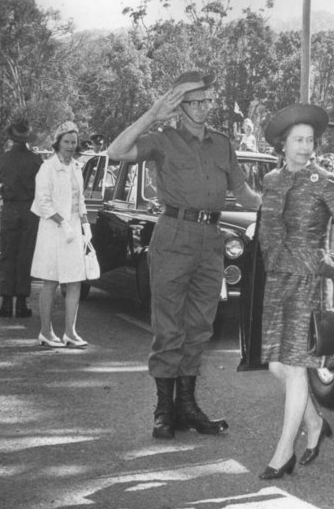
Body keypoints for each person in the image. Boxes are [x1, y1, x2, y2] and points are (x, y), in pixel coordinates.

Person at [107, 70, 262, 439]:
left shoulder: (222, 143)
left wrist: (280, 206)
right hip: (173, 234)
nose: (203, 107)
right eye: (193, 101)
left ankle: (188, 407)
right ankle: (164, 410)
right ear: (179, 106)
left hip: (211, 238)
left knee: (200, 326)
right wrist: (152, 115)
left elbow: (243, 195)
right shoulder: (163, 140)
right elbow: (116, 152)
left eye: (207, 100)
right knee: (168, 325)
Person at [256, 104, 334, 479]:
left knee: (296, 365)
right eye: (297, 140)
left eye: (310, 140)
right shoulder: (270, 181)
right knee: (276, 365)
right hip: (277, 281)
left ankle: (283, 451)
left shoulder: (324, 181)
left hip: (308, 279)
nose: (305, 147)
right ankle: (316, 423)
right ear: (282, 145)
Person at [30, 120, 89, 348]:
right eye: (66, 141)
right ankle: (46, 331)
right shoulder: (47, 167)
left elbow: (80, 198)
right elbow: (42, 202)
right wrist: (62, 223)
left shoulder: (77, 167)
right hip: (53, 230)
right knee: (51, 281)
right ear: (57, 142)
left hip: (74, 229)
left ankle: (71, 333)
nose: (70, 146)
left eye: (74, 142)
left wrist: (85, 226)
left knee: (75, 282)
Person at [0, 119, 44, 318]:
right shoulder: (36, 160)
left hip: (10, 209)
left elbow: (1, 181)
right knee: (26, 256)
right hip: (30, 209)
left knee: (8, 254)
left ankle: (6, 302)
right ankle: (22, 303)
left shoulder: (2, 159)